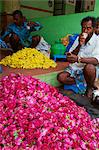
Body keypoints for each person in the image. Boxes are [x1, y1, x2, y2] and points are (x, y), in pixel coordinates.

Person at [57, 16, 99, 99]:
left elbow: (96, 60)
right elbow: (71, 54)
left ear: (93, 28)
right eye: (83, 28)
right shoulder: (78, 38)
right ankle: (85, 83)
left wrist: (78, 59)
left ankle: (89, 88)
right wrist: (79, 44)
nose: (85, 31)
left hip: (87, 70)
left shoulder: (97, 40)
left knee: (89, 67)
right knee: (61, 77)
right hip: (75, 68)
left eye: (88, 28)